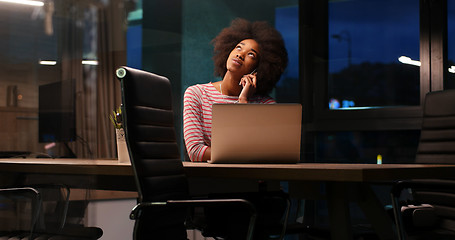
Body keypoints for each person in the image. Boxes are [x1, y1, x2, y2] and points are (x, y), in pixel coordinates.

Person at [183, 18, 288, 162]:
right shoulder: (196, 94)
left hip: (252, 181)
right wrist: (245, 155)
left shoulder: (266, 106)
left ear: (260, 68)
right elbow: (195, 151)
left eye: (251, 54)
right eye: (239, 47)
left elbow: (270, 154)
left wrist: (243, 101)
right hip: (211, 181)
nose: (240, 54)